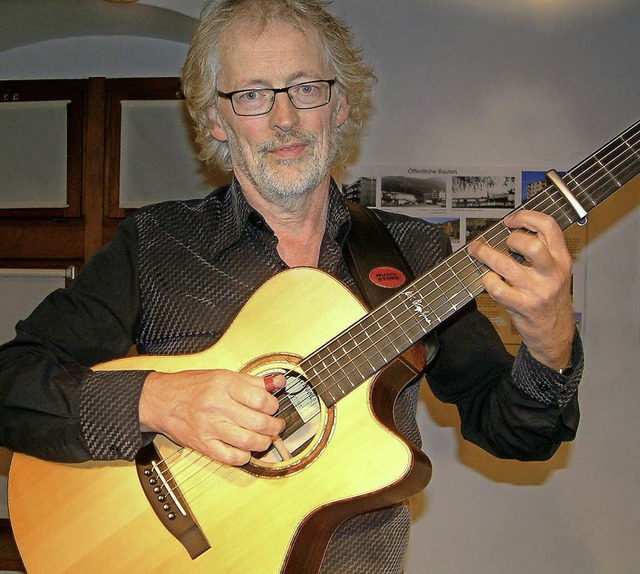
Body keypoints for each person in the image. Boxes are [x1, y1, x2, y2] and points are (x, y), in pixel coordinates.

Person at [0, 0, 582, 572]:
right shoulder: (156, 244)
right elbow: (12, 383)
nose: (284, 119)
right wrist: (159, 401)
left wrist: (550, 344)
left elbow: (516, 436)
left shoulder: (417, 257)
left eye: (306, 88)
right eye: (252, 95)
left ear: (341, 104)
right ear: (214, 121)